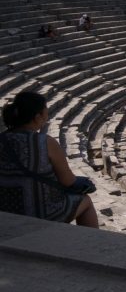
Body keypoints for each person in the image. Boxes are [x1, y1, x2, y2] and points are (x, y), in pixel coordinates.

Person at [0, 91, 98, 227]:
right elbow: (68, 181)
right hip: (41, 213)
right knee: (85, 201)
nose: (47, 116)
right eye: (45, 112)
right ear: (37, 117)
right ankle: (92, 246)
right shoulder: (45, 142)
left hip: (5, 211)